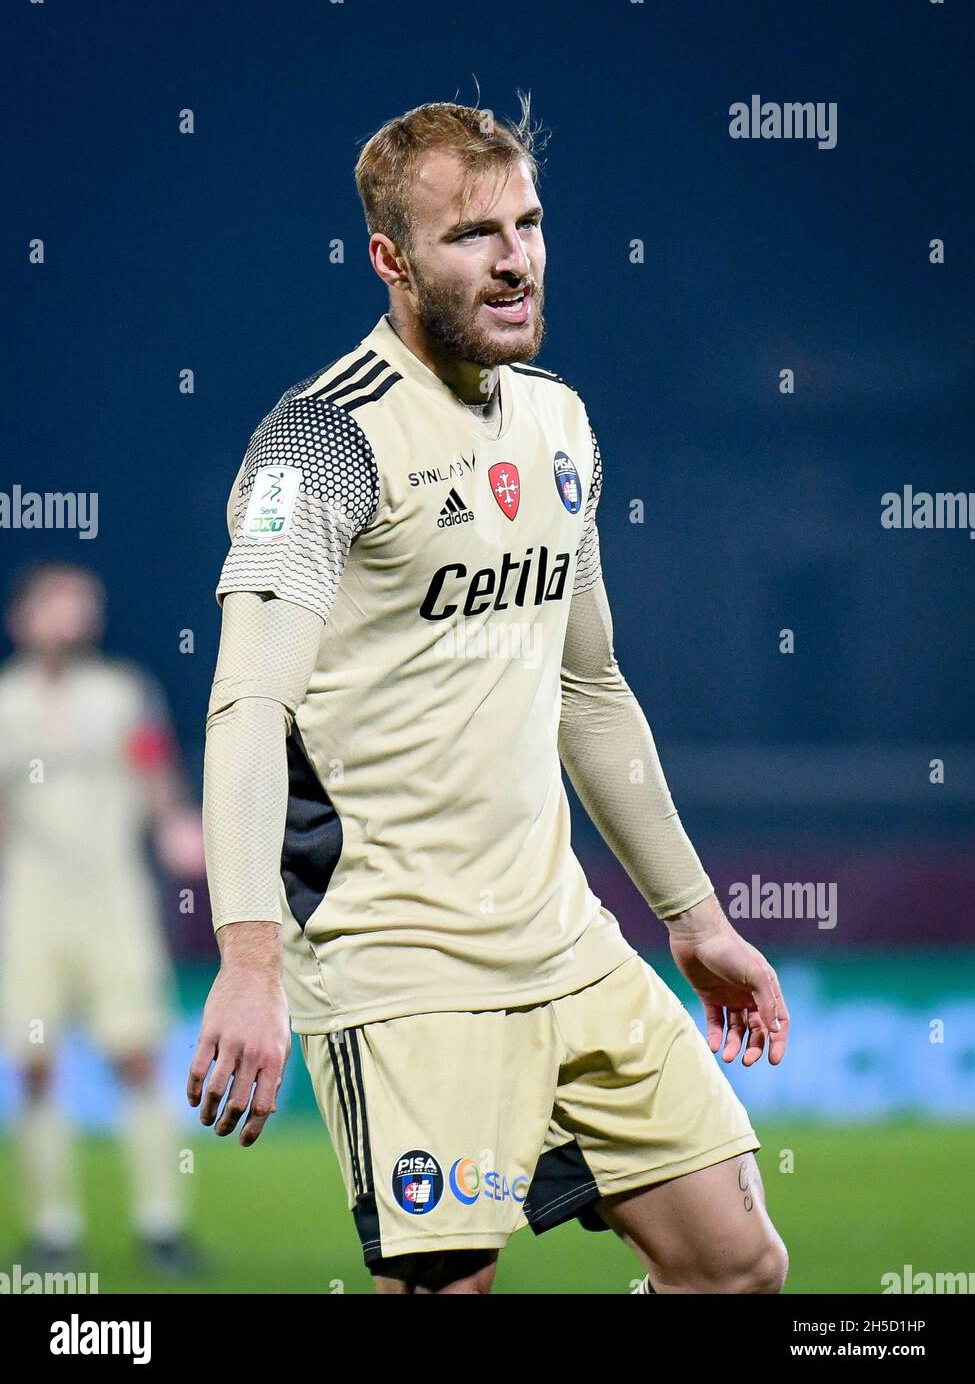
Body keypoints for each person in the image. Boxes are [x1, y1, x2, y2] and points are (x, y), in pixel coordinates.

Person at [189, 97, 791, 1295]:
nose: (515, 258)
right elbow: (247, 705)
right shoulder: (319, 443)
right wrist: (248, 958)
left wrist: (693, 915)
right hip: (399, 957)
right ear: (391, 260)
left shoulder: (560, 422)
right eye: (473, 234)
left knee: (738, 1268)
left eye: (529, 223)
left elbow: (590, 682)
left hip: (562, 938)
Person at [0, 561, 206, 1274]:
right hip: (30, 902)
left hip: (114, 897)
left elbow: (154, 775)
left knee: (138, 1057)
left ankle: (162, 1225)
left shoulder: (122, 694)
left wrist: (177, 826)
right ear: (21, 618)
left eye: (82, 603)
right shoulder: (4, 703)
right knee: (33, 1065)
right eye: (55, 603)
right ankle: (54, 1228)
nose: (70, 616)